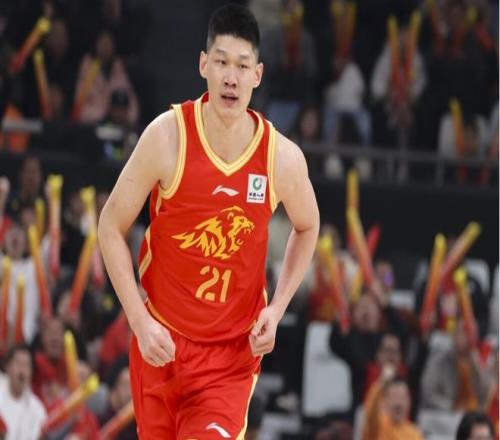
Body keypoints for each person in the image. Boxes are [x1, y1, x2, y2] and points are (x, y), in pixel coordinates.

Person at [97, 4, 319, 439]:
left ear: (258, 74)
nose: (230, 77)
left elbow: (308, 226)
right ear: (203, 65)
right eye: (221, 62)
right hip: (161, 342)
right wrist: (138, 321)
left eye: (241, 66)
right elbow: (110, 225)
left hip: (229, 359)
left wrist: (277, 309)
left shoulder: (280, 158)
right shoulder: (166, 137)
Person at [0, 345, 47, 440]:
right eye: (18, 364)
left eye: (26, 365)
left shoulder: (38, 409)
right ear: (7, 367)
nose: (22, 371)